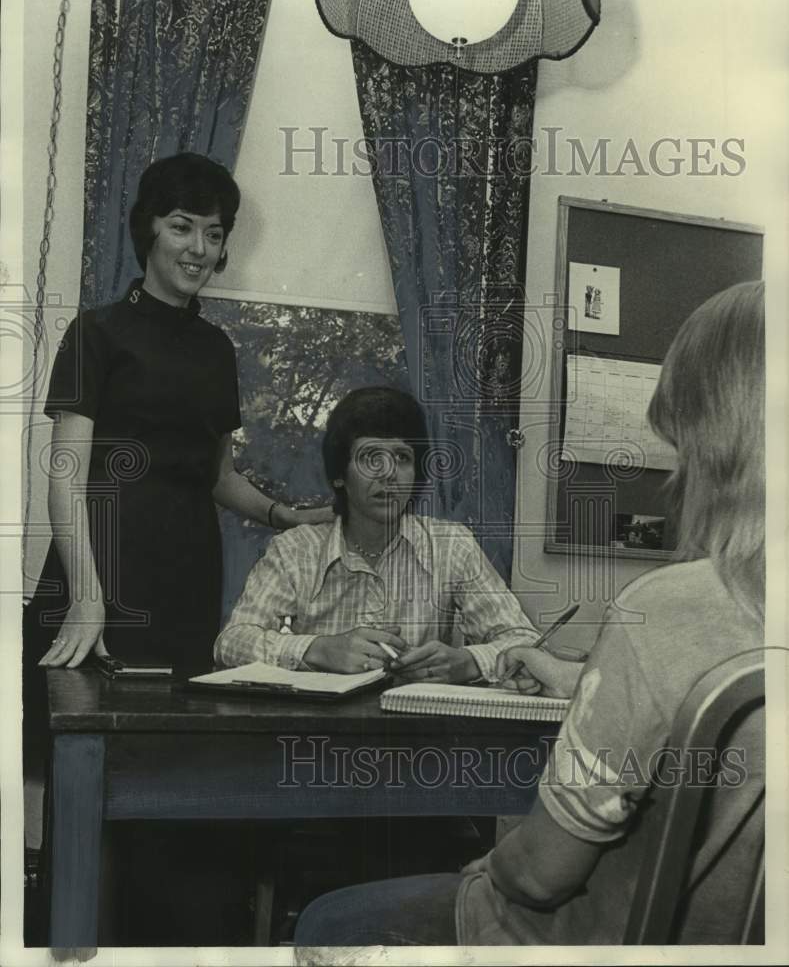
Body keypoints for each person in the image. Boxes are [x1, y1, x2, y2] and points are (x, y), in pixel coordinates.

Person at [293, 280, 765, 946]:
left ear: (713, 447)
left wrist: (494, 867)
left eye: (680, 447)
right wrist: (578, 676)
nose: (674, 478)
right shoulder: (297, 550)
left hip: (595, 937)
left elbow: (540, 876)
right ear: (340, 473)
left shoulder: (666, 608)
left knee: (328, 923)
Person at [25, 152, 330, 682]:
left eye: (214, 235)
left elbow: (219, 476)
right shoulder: (94, 334)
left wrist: (284, 516)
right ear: (150, 228)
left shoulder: (217, 349)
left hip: (187, 571)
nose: (199, 249)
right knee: (70, 746)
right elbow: (66, 481)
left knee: (168, 745)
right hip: (100, 568)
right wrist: (86, 597)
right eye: (182, 227)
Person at [214, 386, 542, 684]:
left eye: (402, 458)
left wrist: (469, 661)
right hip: (319, 738)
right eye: (371, 458)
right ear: (340, 475)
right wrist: (316, 650)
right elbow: (231, 643)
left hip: (418, 739)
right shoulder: (295, 549)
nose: (388, 474)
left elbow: (525, 640)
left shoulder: (451, 545)